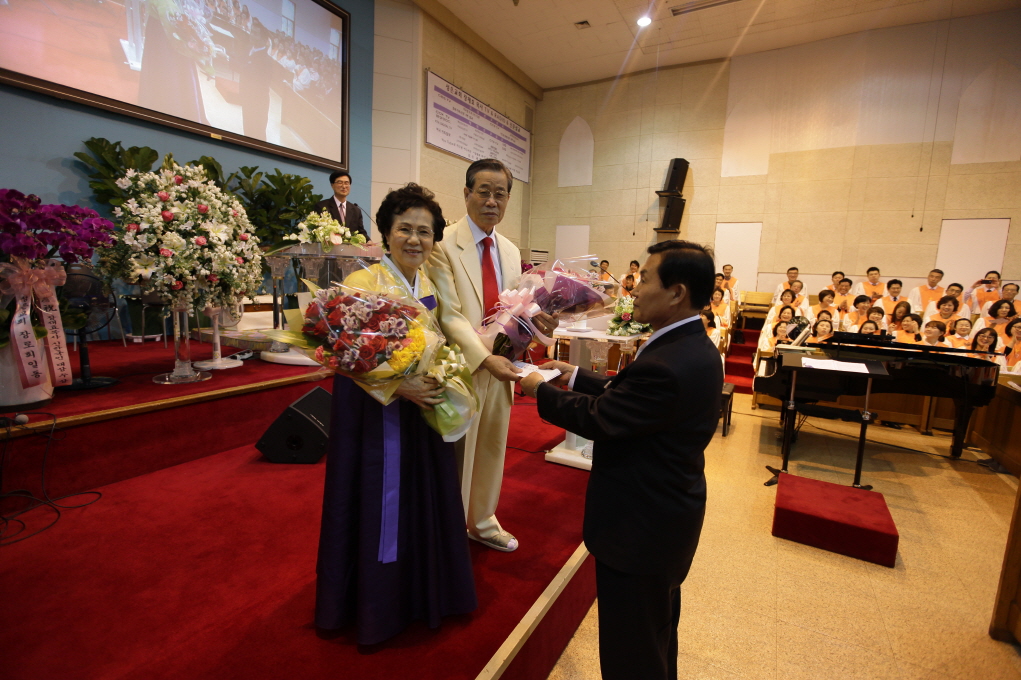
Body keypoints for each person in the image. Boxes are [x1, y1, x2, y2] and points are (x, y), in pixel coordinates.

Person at [518, 240, 722, 680]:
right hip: (666, 518)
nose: (634, 290)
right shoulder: (690, 345)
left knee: (632, 652)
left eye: (645, 279)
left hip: (641, 529)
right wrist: (574, 374)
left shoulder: (670, 362)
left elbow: (602, 418)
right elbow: (633, 399)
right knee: (654, 636)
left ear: (677, 292)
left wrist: (538, 387)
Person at [315, 183, 476, 644]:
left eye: (424, 232)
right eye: (404, 229)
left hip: (420, 412)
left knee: (420, 499)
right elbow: (337, 353)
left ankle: (419, 593)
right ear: (386, 232)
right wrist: (395, 384)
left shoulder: (428, 284)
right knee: (380, 504)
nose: (414, 239)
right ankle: (378, 605)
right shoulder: (364, 284)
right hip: (374, 415)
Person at [427, 158, 557, 553]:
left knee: (491, 447)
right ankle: (448, 531)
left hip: (503, 364)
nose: (491, 201)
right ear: (466, 193)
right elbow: (449, 314)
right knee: (457, 453)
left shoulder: (510, 250)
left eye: (500, 194)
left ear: (508, 199)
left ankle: (482, 522)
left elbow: (515, 307)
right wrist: (483, 359)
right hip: (461, 365)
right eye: (483, 192)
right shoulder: (442, 244)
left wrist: (540, 323)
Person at [313, 170, 367, 239]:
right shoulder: (321, 206)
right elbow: (319, 230)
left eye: (346, 183)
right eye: (340, 182)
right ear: (332, 185)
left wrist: (368, 241)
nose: (344, 186)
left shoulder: (356, 210)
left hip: (350, 245)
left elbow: (361, 232)